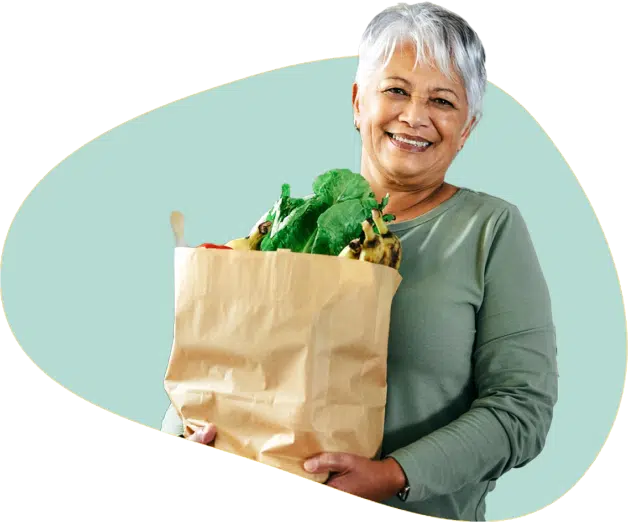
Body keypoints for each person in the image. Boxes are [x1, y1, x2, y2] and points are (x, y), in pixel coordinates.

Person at [160, 2, 559, 521]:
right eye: (396, 90)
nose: (415, 116)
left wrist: (394, 475)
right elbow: (207, 376)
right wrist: (186, 442)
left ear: (467, 128)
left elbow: (521, 411)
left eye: (442, 100)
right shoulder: (286, 226)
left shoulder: (489, 230)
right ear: (357, 102)